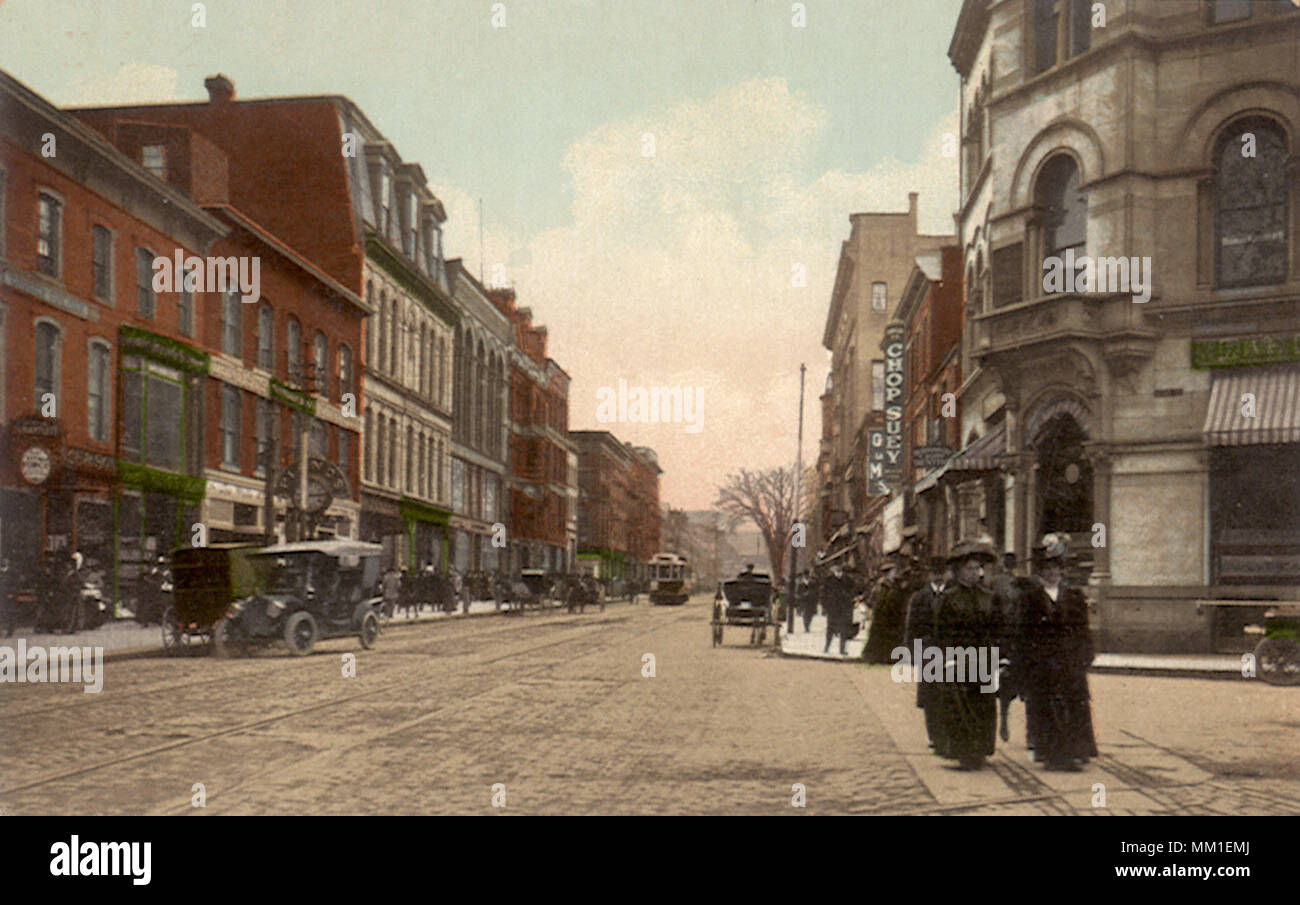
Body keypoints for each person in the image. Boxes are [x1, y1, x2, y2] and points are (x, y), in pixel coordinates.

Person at [1019, 533, 1098, 772]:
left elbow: (1083, 629)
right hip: (1043, 663)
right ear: (1040, 573)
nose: (1053, 573)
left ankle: (1075, 752)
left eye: (1056, 570)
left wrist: (1085, 654)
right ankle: (1052, 754)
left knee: (1074, 706)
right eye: (1048, 570)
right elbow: (1024, 632)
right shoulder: (1031, 598)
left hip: (1069, 661)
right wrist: (1028, 660)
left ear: (1062, 572)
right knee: (1047, 708)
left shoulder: (1074, 597)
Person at [931, 539, 1001, 771]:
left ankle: (981, 749)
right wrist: (947, 660)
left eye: (978, 568)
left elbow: (996, 628)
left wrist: (997, 657)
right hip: (959, 659)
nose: (976, 573)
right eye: (971, 568)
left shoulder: (988, 596)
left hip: (983, 659)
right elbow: (941, 633)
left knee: (984, 706)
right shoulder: (949, 598)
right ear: (960, 571)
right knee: (962, 706)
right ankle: (964, 752)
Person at [904, 557, 950, 750]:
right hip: (927, 651)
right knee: (930, 695)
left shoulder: (952, 595)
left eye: (942, 572)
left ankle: (946, 733)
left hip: (948, 652)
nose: (939, 576)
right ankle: (932, 735)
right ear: (930, 574)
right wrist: (912, 654)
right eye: (935, 573)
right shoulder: (920, 597)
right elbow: (911, 626)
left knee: (948, 693)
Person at [862, 557, 907, 664]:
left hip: (892, 616)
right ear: (888, 573)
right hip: (883, 617)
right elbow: (879, 602)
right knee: (880, 638)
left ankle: (888, 658)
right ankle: (877, 657)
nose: (895, 573)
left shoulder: (894, 585)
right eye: (893, 572)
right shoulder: (882, 586)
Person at [821, 562, 855, 655]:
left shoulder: (848, 580)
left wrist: (850, 600)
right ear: (833, 571)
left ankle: (842, 649)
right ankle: (827, 646)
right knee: (830, 629)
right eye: (836, 570)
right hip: (832, 609)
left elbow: (853, 592)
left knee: (844, 630)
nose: (838, 572)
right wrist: (824, 607)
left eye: (840, 570)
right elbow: (824, 595)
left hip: (844, 608)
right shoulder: (828, 580)